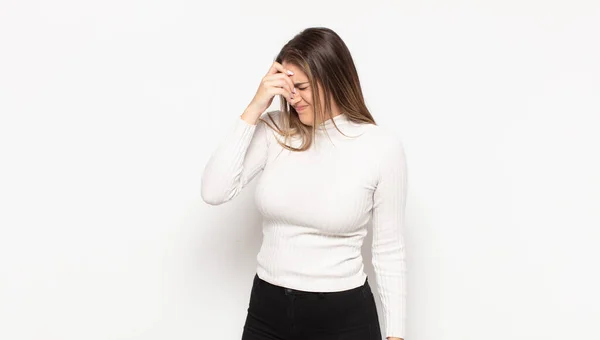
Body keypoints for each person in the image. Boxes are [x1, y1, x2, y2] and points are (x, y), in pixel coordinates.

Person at [201, 27, 407, 340]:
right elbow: (214, 191)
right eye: (287, 88)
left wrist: (396, 335)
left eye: (301, 87)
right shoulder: (275, 130)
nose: (292, 97)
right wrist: (256, 106)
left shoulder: (380, 147)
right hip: (267, 312)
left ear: (334, 80)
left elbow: (389, 250)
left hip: (344, 319)